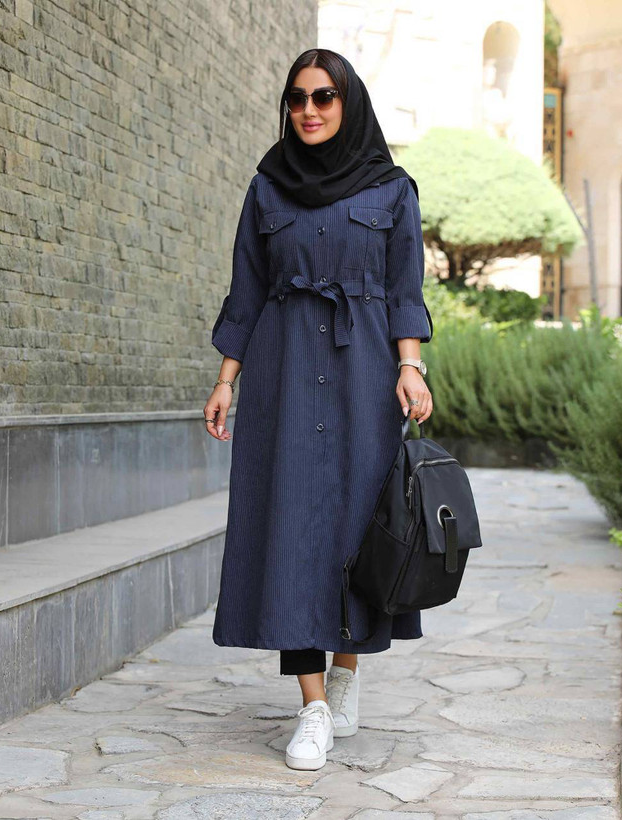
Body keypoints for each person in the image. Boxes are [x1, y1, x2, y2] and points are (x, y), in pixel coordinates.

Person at [203, 48, 433, 771]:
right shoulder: (267, 187)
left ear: (347, 102)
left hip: (365, 372)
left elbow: (404, 289)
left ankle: (345, 673)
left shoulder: (392, 190)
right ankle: (311, 707)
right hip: (283, 372)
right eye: (298, 98)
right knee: (290, 528)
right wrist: (226, 379)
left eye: (323, 96)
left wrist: (411, 367)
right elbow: (246, 288)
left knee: (358, 525)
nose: (308, 110)